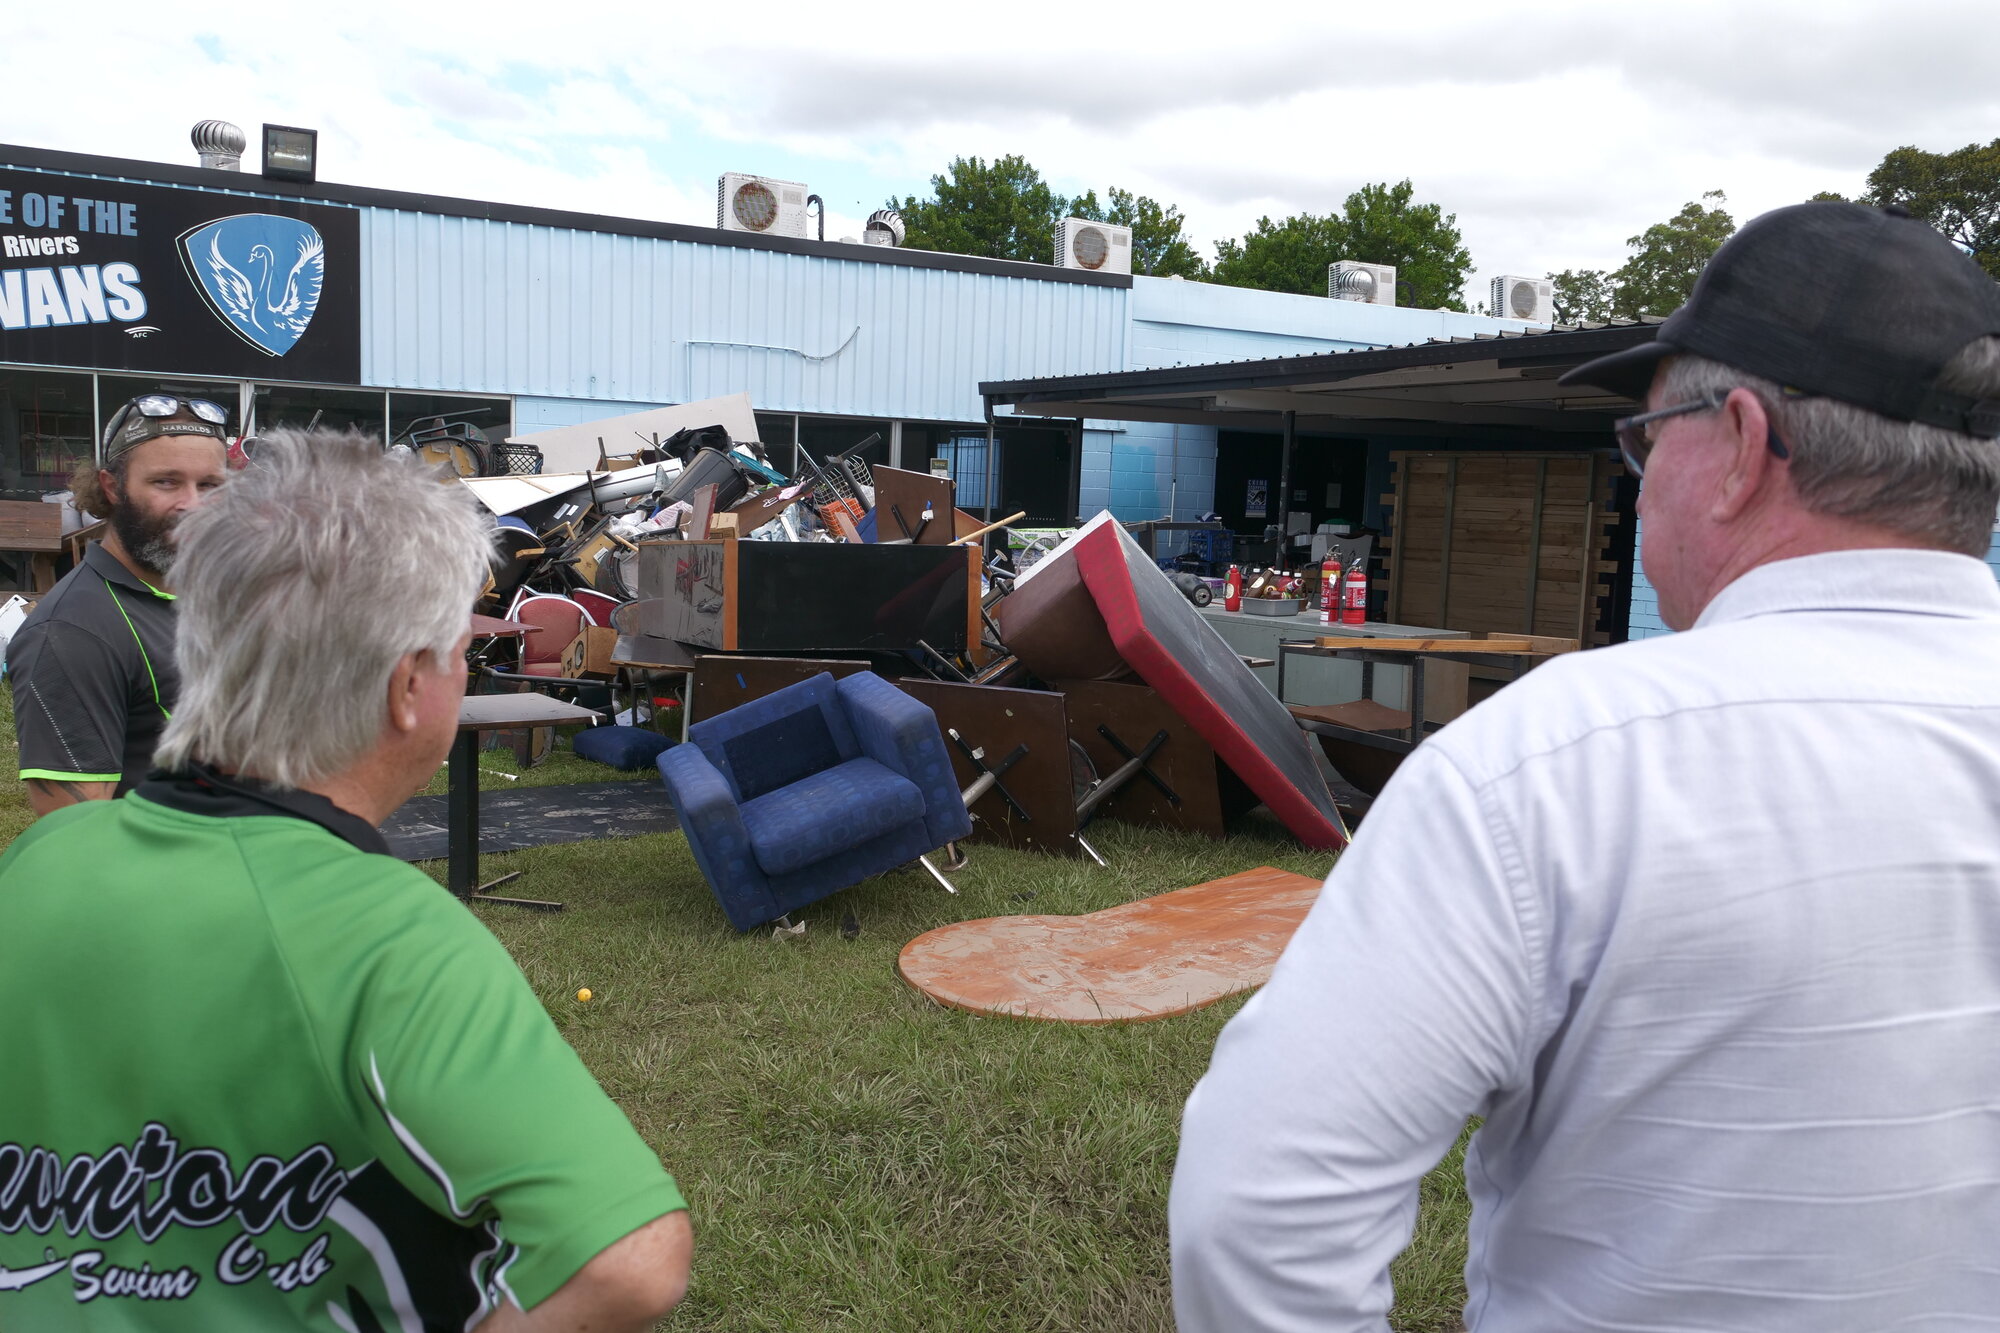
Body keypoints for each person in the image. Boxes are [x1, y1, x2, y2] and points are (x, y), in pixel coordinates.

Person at [1170, 202, 2000, 1332]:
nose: (1635, 483)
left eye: (1646, 441)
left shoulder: (1551, 769)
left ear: (1743, 448)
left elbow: (1259, 1210)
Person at [0, 432, 691, 1329]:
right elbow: (632, 1262)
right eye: (455, 653)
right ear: (409, 684)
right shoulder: (390, 936)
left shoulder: (41, 861)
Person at [6, 394, 230, 815]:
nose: (193, 505)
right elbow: (77, 839)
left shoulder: (205, 594)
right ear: (112, 487)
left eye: (210, 485)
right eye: (166, 481)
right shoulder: (73, 633)